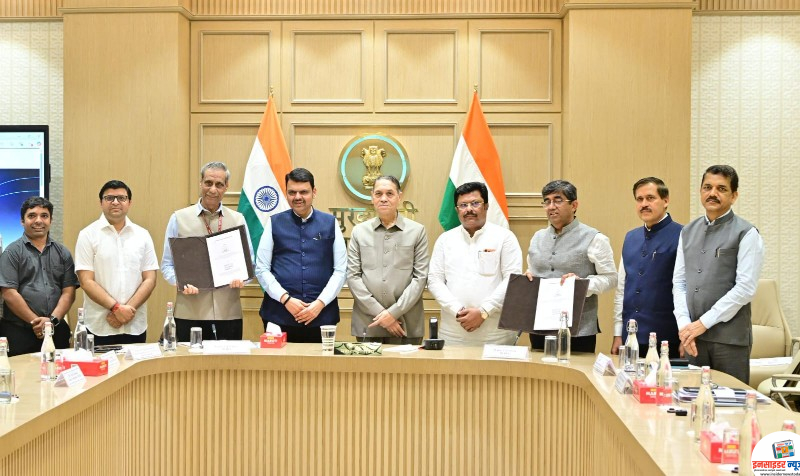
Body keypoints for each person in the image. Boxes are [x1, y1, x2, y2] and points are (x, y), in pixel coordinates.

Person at [673, 165, 764, 384]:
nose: (712, 193)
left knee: (731, 399)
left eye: (721, 189)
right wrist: (685, 325)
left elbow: (745, 288)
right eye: (707, 187)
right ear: (700, 192)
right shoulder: (687, 231)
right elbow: (680, 281)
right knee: (693, 398)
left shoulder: (747, 233)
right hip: (694, 338)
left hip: (729, 341)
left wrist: (703, 323)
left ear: (734, 196)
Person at [161, 162, 252, 341]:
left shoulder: (238, 220)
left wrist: (243, 279)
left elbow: (251, 264)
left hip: (228, 313)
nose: (213, 189)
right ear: (200, 183)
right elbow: (167, 265)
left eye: (219, 184)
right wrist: (181, 283)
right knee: (189, 359)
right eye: (208, 183)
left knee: (228, 360)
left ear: (226, 187)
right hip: (189, 312)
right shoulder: (178, 218)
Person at [255, 168, 346, 343]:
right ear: (286, 193)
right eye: (292, 192)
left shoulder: (330, 223)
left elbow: (341, 270)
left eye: (303, 192)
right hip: (279, 314)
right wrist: (286, 299)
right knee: (279, 362)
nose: (298, 197)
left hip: (322, 315)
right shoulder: (274, 222)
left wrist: (320, 303)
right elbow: (261, 268)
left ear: (314, 192)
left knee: (320, 361)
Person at [525, 180, 616, 353]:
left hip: (578, 329)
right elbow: (532, 270)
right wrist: (528, 276)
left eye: (558, 200)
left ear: (574, 205)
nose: (551, 206)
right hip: (540, 325)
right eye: (547, 201)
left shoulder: (594, 238)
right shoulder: (537, 237)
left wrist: (582, 284)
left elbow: (611, 278)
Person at [428, 182, 522, 346]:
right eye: (463, 205)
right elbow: (434, 280)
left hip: (496, 335)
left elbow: (512, 279)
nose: (469, 209)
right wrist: (457, 310)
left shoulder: (505, 237)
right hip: (453, 333)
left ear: (486, 206)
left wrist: (484, 312)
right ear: (457, 209)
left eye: (475, 203)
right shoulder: (445, 240)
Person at [346, 175, 429, 344]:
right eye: (378, 194)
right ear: (372, 197)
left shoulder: (417, 231)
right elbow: (353, 277)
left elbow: (420, 278)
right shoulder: (359, 232)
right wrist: (381, 314)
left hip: (406, 324)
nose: (383, 198)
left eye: (389, 193)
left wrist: (393, 313)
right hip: (368, 323)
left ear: (399, 196)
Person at [74, 180, 159, 345]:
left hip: (134, 323)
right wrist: (116, 308)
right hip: (99, 324)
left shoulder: (143, 235)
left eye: (121, 198)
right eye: (109, 198)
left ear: (129, 202)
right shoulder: (87, 235)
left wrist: (127, 311)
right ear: (101, 202)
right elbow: (86, 281)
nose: (115, 202)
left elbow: (150, 279)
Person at [611, 177, 683, 357]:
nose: (644, 204)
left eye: (650, 198)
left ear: (665, 200)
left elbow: (687, 289)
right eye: (639, 199)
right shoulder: (630, 237)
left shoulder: (683, 235)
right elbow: (622, 288)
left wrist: (685, 335)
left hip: (668, 338)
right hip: (631, 337)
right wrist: (618, 333)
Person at [0, 197, 78, 356]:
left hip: (56, 329)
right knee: (21, 372)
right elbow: (9, 293)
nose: (38, 220)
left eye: (44, 216)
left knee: (58, 370)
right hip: (19, 332)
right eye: (31, 216)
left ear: (51, 220)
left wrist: (51, 321)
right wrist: (36, 322)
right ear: (22, 221)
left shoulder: (63, 253)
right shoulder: (11, 252)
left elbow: (68, 292)